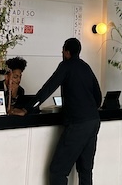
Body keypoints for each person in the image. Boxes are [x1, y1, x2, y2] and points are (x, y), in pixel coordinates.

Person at [25, 38, 102, 185]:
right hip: (93, 121)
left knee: (57, 171)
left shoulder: (66, 66)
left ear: (67, 52)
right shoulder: (86, 67)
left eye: (63, 50)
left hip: (78, 124)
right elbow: (98, 97)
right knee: (85, 170)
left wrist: (27, 108)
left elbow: (48, 88)